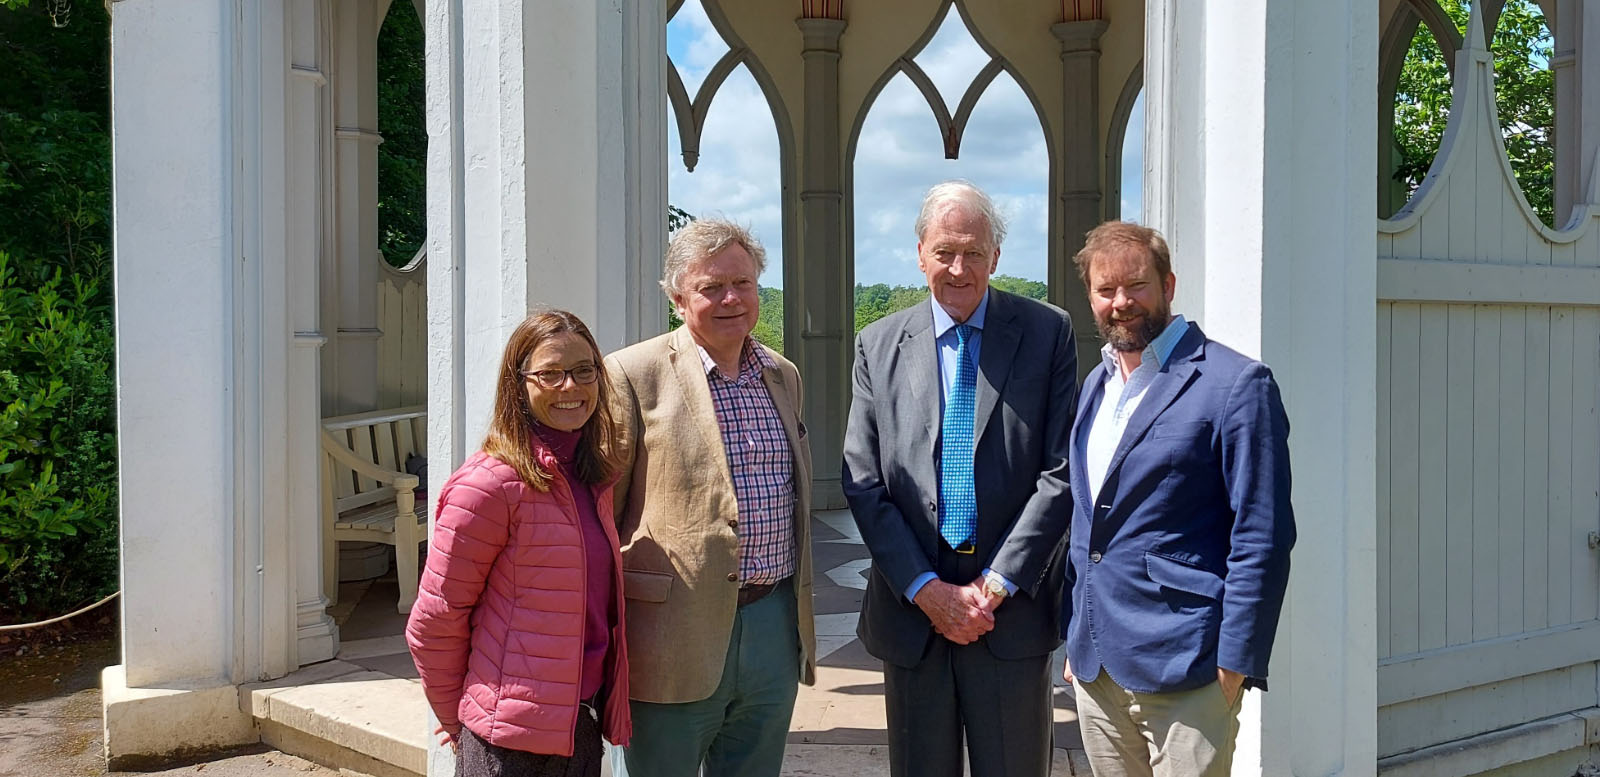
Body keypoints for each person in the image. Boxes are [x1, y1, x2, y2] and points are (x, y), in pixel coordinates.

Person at [841, 180, 1077, 777]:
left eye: (973, 252)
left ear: (996, 257)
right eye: (944, 250)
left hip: (1010, 613)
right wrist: (926, 589)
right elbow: (863, 482)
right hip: (912, 614)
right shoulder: (878, 344)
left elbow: (1062, 473)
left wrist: (994, 586)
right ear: (920, 253)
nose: (958, 267)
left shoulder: (1048, 333)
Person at [1060, 221, 1296, 777]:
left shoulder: (1236, 384)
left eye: (1136, 285)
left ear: (1169, 284)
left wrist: (1235, 663)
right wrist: (1075, 633)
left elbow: (1262, 533)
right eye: (1105, 290)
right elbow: (1086, 523)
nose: (1121, 303)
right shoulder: (1096, 386)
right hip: (1097, 669)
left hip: (1189, 666)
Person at [606, 219, 816, 777]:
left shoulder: (783, 374)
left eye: (743, 284)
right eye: (711, 287)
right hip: (673, 633)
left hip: (773, 622)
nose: (731, 299)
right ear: (678, 297)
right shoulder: (632, 374)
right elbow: (604, 515)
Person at [406, 310, 630, 777]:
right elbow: (434, 621)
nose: (571, 386)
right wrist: (463, 720)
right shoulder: (489, 485)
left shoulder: (591, 476)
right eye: (550, 373)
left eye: (584, 370)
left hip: (578, 726)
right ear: (519, 384)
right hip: (506, 745)